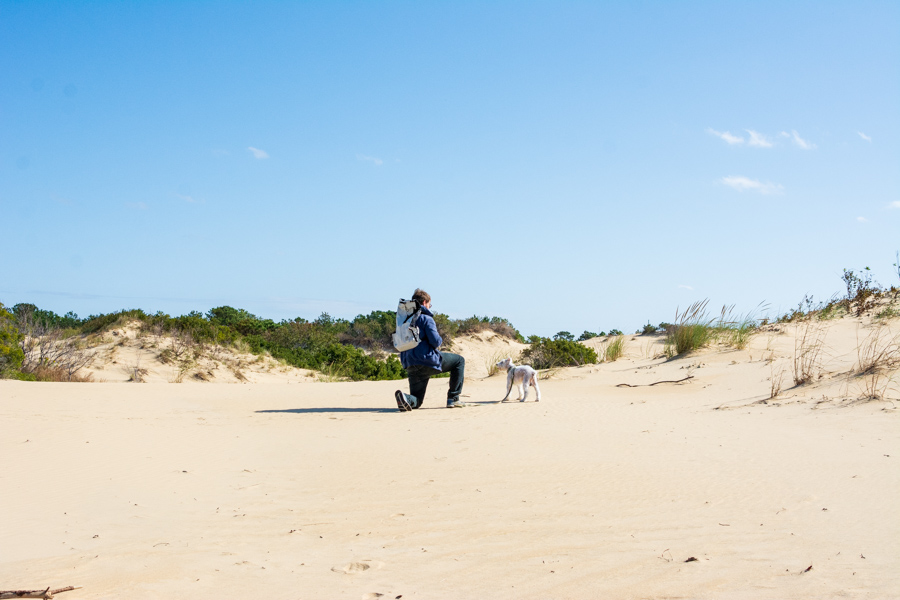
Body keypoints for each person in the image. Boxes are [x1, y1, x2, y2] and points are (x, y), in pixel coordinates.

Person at [395, 289, 469, 411]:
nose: (429, 307)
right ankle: (453, 398)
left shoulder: (403, 321)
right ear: (424, 302)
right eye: (430, 304)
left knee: (417, 400)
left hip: (409, 363)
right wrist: (440, 340)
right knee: (459, 361)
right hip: (426, 360)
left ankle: (405, 398)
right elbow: (435, 341)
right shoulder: (426, 318)